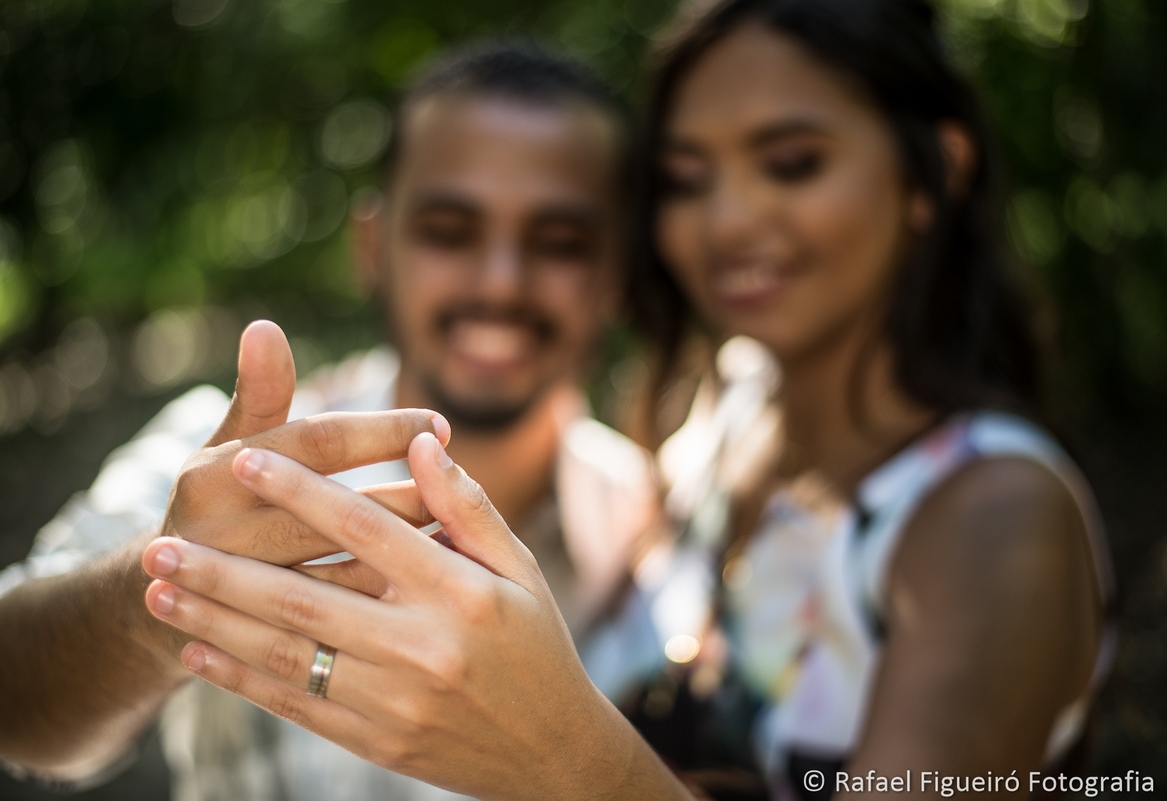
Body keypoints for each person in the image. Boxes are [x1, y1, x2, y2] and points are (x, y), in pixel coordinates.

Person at [129, 1, 1115, 799]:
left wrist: (562, 753)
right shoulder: (719, 417)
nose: (729, 220)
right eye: (687, 180)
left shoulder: (995, 518)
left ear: (932, 172)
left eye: (792, 163)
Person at [0, 42, 665, 801]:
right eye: (449, 229)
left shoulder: (662, 519)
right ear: (374, 244)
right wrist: (164, 593)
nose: (500, 280)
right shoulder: (230, 461)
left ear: (617, 271)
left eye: (560, 241)